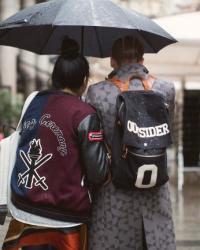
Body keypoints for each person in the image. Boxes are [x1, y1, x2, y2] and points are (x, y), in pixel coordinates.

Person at [2, 36, 109, 250]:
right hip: (66, 217)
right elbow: (98, 173)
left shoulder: (34, 100)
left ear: (55, 77)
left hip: (24, 209)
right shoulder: (85, 114)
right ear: (84, 79)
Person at [86, 36, 176, 250]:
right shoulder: (166, 90)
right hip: (156, 195)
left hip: (114, 198)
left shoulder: (97, 93)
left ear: (112, 61)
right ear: (142, 60)